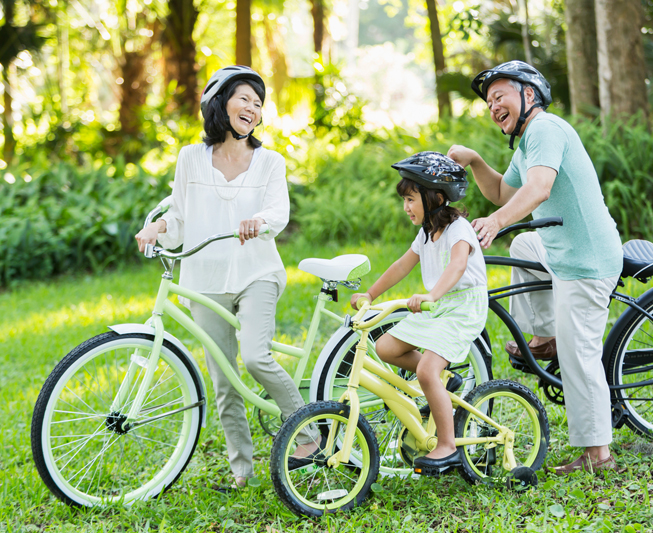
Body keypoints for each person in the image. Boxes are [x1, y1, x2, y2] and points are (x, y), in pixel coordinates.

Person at [135, 65, 318, 490]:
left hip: (256, 273)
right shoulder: (190, 158)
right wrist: (156, 227)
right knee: (223, 380)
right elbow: (178, 215)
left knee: (254, 358)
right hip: (204, 278)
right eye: (244, 99)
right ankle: (242, 472)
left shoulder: (271, 161)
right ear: (219, 102)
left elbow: (278, 212)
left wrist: (258, 220)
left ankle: (309, 436)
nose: (252, 108)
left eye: (258, 103)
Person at [447, 60, 623, 475]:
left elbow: (539, 189)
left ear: (528, 95)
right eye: (489, 102)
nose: (493, 106)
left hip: (586, 261)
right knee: (527, 243)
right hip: (563, 253)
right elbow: (503, 192)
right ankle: (546, 338)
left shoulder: (545, 129)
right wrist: (475, 161)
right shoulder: (528, 143)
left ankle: (599, 456)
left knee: (581, 355)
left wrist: (495, 223)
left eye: (499, 96)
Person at [349, 152, 488, 475]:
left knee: (425, 370)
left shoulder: (458, 229)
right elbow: (401, 265)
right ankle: (446, 379)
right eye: (405, 200)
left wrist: (432, 294)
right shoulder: (426, 233)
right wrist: (371, 293)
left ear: (436, 197)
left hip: (462, 306)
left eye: (411, 199)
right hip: (437, 305)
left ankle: (448, 445)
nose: (406, 207)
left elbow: (457, 265)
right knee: (386, 347)